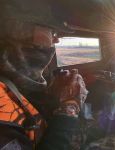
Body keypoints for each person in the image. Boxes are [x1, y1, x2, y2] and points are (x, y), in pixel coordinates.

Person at [0, 0, 88, 149]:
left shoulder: (14, 82)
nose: (56, 39)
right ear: (21, 31)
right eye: (52, 32)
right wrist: (69, 108)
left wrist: (53, 96)